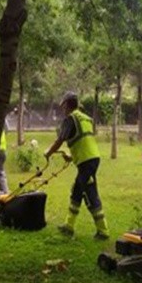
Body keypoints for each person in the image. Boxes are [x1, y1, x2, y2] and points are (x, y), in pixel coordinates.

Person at [44, 92, 109, 240]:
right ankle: (69, 226)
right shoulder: (85, 118)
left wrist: (48, 153)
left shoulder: (70, 119)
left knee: (89, 193)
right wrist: (71, 156)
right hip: (92, 158)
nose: (63, 109)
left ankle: (103, 231)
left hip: (86, 162)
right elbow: (83, 141)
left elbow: (60, 140)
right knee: (77, 191)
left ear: (67, 104)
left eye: (63, 106)